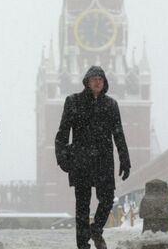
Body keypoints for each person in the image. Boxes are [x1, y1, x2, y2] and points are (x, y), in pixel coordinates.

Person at [55, 66, 131, 249]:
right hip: (80, 160)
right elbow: (63, 132)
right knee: (82, 206)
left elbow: (118, 133)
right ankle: (83, 244)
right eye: (94, 79)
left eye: (101, 79)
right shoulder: (73, 101)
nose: (97, 81)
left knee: (107, 199)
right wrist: (62, 157)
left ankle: (96, 229)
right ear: (87, 82)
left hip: (103, 160)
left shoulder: (111, 105)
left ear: (104, 83)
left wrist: (124, 159)